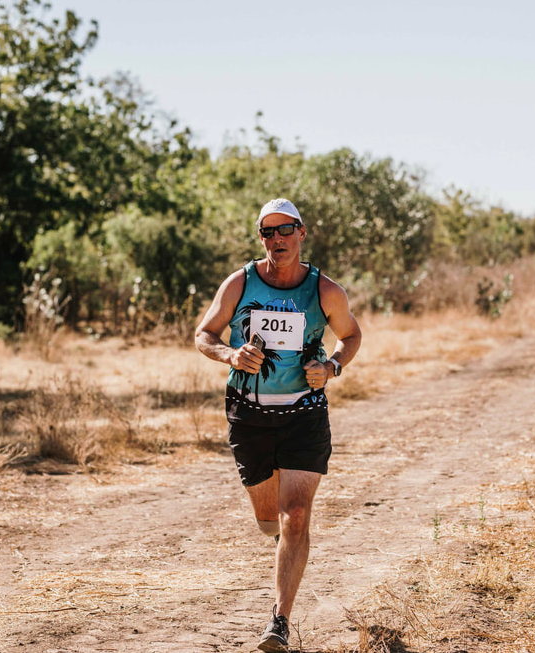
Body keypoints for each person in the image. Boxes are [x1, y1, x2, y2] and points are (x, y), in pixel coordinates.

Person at [194, 198, 362, 652]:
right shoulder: (240, 282)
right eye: (267, 232)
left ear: (302, 233)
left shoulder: (325, 290)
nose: (276, 240)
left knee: (297, 515)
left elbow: (351, 336)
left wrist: (331, 366)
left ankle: (279, 621)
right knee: (269, 519)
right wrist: (230, 354)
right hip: (248, 413)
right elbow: (203, 335)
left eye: (285, 230)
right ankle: (277, 538)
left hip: (305, 413)